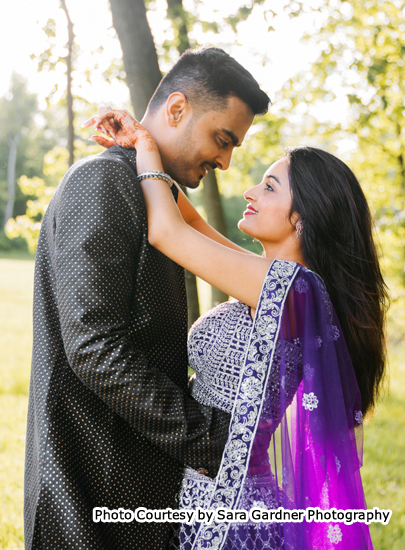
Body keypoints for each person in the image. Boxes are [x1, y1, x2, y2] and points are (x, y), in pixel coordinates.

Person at [91, 108, 388, 550]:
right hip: (209, 491)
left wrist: (149, 149)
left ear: (301, 218)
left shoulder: (290, 289)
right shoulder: (276, 281)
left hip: (226, 512)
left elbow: (168, 233)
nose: (250, 190)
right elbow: (192, 224)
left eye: (269, 187)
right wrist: (139, 144)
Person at [24, 47, 271, 550]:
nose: (225, 161)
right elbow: (93, 345)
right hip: (87, 497)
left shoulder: (149, 193)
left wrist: (144, 146)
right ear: (177, 109)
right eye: (223, 139)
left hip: (144, 495)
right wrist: (214, 438)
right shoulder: (102, 181)